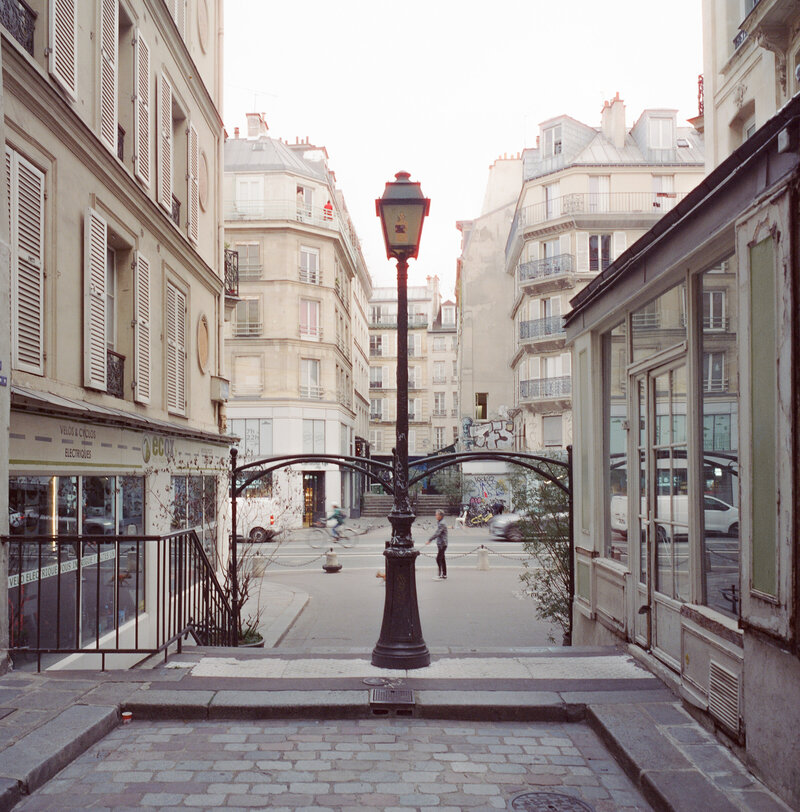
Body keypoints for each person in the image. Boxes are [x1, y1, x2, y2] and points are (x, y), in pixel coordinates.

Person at [425, 509, 448, 580]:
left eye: (437, 515)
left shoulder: (442, 523)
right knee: (442, 559)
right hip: (442, 543)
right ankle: (444, 574)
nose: (435, 516)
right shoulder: (440, 522)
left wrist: (430, 539)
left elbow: (437, 533)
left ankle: (440, 575)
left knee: (438, 559)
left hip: (442, 544)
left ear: (440, 516)